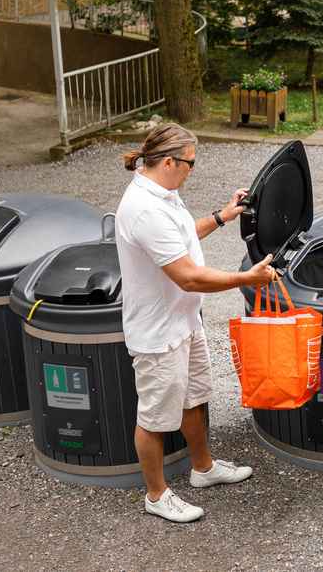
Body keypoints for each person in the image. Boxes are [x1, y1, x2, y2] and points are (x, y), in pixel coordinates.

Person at [115, 124, 278, 524]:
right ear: (168, 161)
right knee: (153, 418)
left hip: (184, 320)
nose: (192, 169)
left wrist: (224, 215)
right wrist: (247, 279)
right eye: (190, 162)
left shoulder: (164, 194)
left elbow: (183, 237)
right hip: (158, 334)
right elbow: (188, 276)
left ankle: (203, 468)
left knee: (194, 397)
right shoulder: (145, 209)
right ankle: (156, 494)